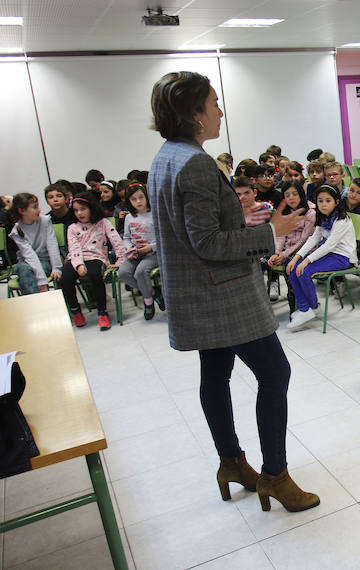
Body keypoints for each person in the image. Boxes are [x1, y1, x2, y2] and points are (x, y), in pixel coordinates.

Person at [148, 70, 318, 513]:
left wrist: (234, 212)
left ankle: (232, 463)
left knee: (216, 376)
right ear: (194, 114)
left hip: (197, 293)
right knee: (275, 373)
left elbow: (192, 228)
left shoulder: (167, 156)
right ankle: (275, 476)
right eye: (214, 103)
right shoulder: (197, 163)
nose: (220, 110)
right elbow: (207, 243)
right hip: (223, 294)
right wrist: (272, 231)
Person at [285, 184, 356, 330]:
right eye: (320, 201)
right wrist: (297, 257)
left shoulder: (342, 220)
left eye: (327, 201)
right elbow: (313, 238)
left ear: (336, 202)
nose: (323, 205)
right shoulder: (323, 217)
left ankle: (311, 307)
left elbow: (329, 245)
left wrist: (306, 261)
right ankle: (305, 308)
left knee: (303, 271)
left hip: (343, 258)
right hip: (329, 255)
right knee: (292, 269)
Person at [59, 192, 127, 330]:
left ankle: (102, 312)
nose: (79, 213)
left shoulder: (103, 223)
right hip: (76, 258)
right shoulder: (72, 227)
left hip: (96, 257)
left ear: (91, 208)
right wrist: (79, 265)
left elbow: (117, 241)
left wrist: (121, 260)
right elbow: (74, 247)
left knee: (96, 275)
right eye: (76, 210)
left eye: (83, 209)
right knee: (65, 278)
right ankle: (75, 310)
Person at [118, 183, 163, 320]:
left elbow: (163, 237)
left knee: (140, 272)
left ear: (146, 197)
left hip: (153, 253)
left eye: (141, 197)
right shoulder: (129, 217)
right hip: (136, 254)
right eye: (133, 199)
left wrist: (151, 247)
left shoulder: (155, 214)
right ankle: (154, 292)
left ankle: (148, 302)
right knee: (123, 273)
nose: (138, 202)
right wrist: (129, 248)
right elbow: (126, 238)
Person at [267, 181, 316, 309]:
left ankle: (296, 306)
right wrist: (277, 252)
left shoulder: (310, 213)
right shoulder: (286, 212)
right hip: (288, 250)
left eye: (295, 194)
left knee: (289, 264)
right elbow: (281, 236)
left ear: (301, 195)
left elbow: (304, 240)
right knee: (263, 259)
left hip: (305, 251)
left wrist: (284, 254)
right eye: (287, 195)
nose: (291, 198)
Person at [8, 193, 62, 295]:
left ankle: (34, 305)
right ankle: (40, 301)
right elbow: (29, 255)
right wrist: (42, 281)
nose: (39, 210)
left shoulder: (45, 221)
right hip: (27, 263)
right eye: (35, 207)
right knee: (23, 268)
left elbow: (52, 245)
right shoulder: (16, 231)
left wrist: (56, 268)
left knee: (25, 271)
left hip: (45, 262)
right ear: (22, 211)